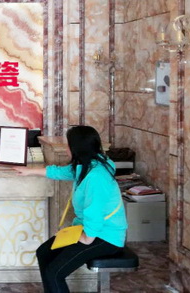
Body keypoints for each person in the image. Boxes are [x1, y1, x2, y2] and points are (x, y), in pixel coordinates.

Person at [15, 125, 127, 293]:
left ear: (77, 148)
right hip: (89, 230)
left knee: (54, 272)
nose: (66, 148)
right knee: (44, 252)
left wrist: (86, 238)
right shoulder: (87, 165)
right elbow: (61, 172)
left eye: (68, 145)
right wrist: (29, 172)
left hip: (105, 236)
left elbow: (95, 213)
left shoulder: (97, 176)